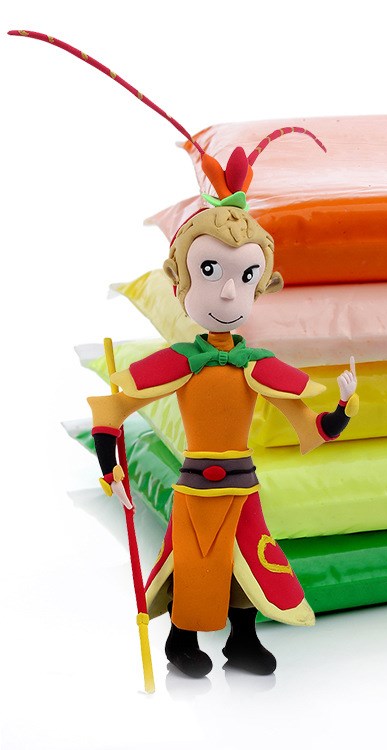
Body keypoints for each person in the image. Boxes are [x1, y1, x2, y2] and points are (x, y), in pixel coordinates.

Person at [88, 203, 358, 678]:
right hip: (196, 489)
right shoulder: (179, 362)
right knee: (193, 563)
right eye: (210, 271)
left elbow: (309, 427)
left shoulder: (257, 365)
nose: (229, 292)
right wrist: (110, 465)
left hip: (243, 487)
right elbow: (113, 411)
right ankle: (181, 640)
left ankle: (243, 640)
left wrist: (340, 411)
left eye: (246, 276)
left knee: (251, 561)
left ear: (260, 285)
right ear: (180, 283)